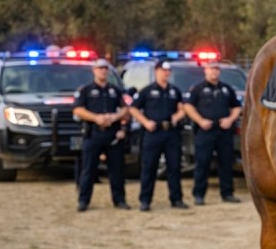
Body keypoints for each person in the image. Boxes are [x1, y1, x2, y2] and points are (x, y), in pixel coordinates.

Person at [129, 60, 189, 211]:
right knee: (149, 167)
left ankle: (176, 199)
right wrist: (145, 122)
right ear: (156, 71)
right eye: (163, 70)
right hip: (153, 133)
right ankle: (145, 200)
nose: (166, 73)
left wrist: (177, 116)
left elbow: (182, 108)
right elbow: (133, 109)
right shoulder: (147, 91)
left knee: (174, 167)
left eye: (168, 71)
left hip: (171, 133)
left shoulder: (174, 91)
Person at [72, 58, 130, 211]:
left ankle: (119, 200)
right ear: (94, 71)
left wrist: (114, 117)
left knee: (116, 170)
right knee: (88, 169)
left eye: (105, 68)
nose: (103, 71)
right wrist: (96, 118)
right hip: (93, 134)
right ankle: (83, 201)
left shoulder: (115, 91)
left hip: (112, 135)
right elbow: (78, 110)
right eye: (100, 68)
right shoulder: (86, 90)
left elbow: (125, 109)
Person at [184, 62, 242, 205]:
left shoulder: (227, 89)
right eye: (211, 69)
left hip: (223, 131)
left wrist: (230, 119)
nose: (214, 72)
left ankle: (227, 193)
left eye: (216, 69)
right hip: (205, 131)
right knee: (202, 163)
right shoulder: (198, 89)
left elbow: (236, 108)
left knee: (226, 163)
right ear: (206, 71)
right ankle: (199, 194)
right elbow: (188, 106)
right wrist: (200, 121)